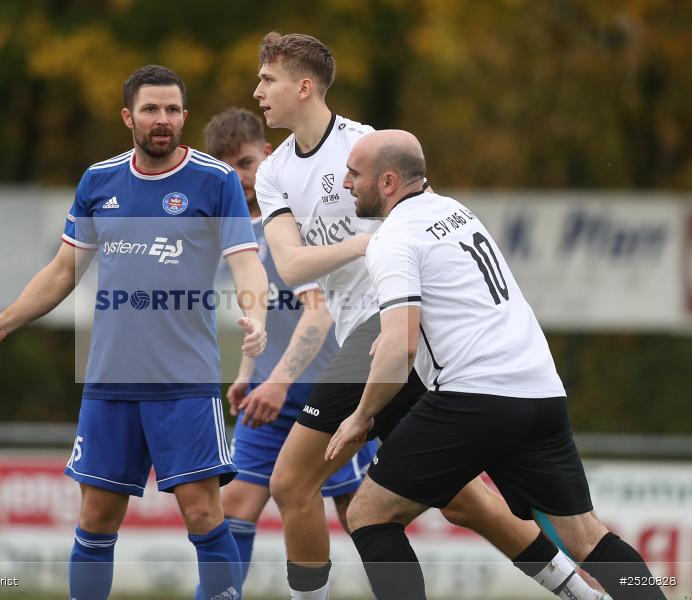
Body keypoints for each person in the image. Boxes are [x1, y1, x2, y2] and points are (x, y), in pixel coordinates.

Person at [253, 32, 609, 600]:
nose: (258, 92)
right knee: (472, 502)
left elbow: (417, 222)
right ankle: (592, 590)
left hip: (388, 329)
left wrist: (377, 246)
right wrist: (365, 244)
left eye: (267, 80)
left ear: (303, 86)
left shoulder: (368, 148)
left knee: (295, 482)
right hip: (512, 382)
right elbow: (292, 266)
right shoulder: (273, 174)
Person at [0, 65, 268, 600]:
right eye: (150, 109)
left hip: (185, 380)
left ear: (185, 117)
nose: (162, 120)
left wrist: (254, 312)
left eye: (172, 109)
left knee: (201, 511)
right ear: (128, 116)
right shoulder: (99, 181)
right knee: (97, 517)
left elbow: (246, 262)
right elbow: (62, 271)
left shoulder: (215, 181)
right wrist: (4, 321)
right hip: (110, 379)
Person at [327, 129, 664, 600]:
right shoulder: (456, 212)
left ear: (387, 182)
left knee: (369, 513)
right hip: (541, 390)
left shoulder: (393, 238)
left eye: (353, 173)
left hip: (476, 397)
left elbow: (400, 349)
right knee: (586, 536)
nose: (345, 183)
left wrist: (360, 417)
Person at [197, 108, 378, 596]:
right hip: (268, 399)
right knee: (234, 507)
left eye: (246, 162)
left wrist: (277, 381)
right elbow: (262, 317)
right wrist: (247, 373)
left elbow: (318, 315)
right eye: (226, 167)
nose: (239, 177)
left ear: (269, 155)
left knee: (361, 514)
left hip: (325, 395)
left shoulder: (292, 226)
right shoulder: (239, 236)